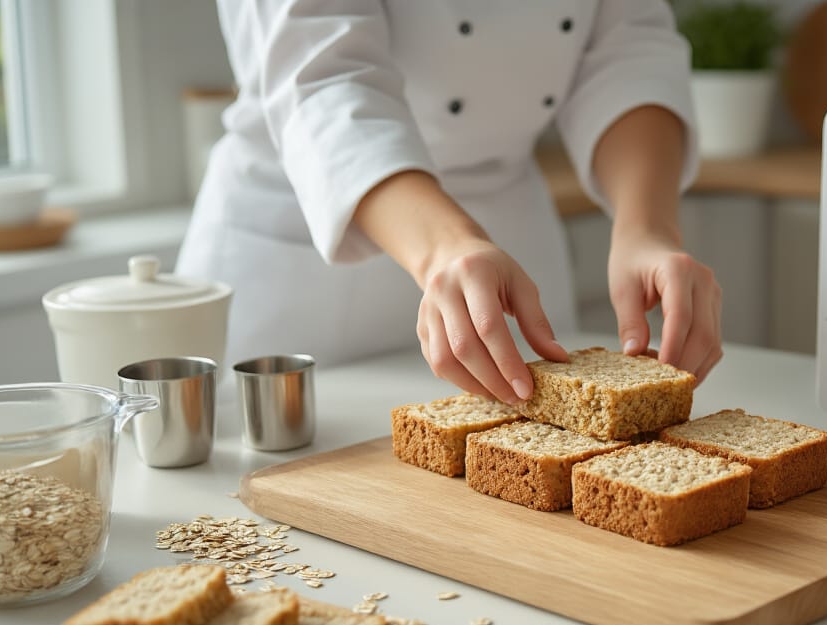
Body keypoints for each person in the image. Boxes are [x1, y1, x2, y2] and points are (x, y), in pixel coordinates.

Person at [176, 0, 723, 404]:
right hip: (303, 259)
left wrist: (645, 227)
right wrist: (446, 249)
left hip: (508, 243)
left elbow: (628, 53)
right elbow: (323, 79)